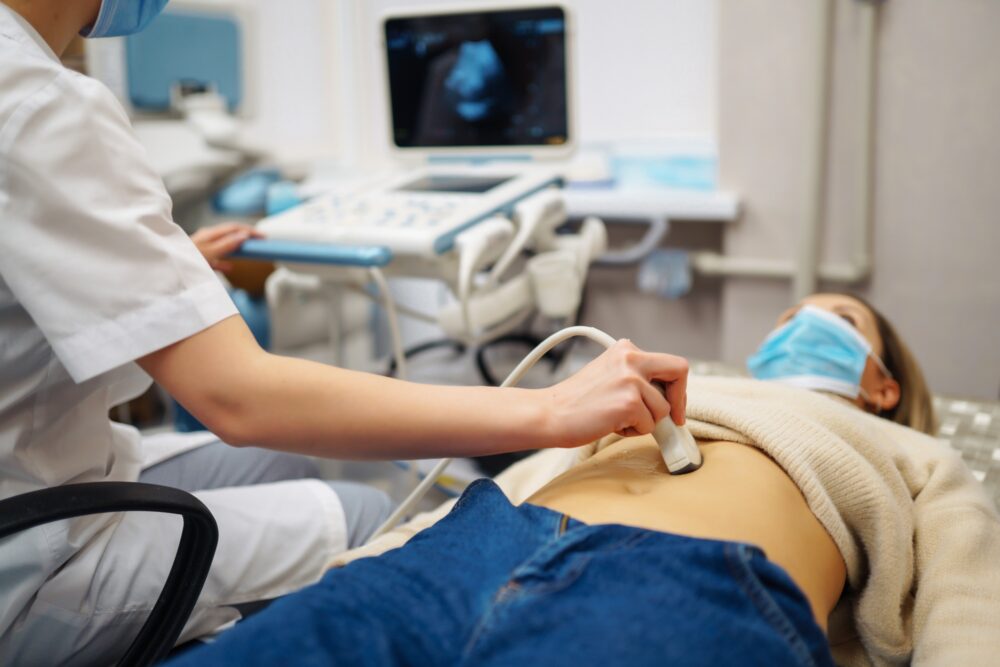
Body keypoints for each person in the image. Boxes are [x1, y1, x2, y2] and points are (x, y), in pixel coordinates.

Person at [0, 1, 692, 664]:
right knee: (367, 512)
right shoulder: (39, 103)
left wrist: (161, 270)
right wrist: (549, 409)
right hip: (30, 556)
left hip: (50, 467)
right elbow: (240, 399)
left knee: (284, 464)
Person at [165, 293, 1000, 667]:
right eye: (786, 318)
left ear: (883, 384)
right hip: (466, 552)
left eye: (837, 316)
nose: (800, 325)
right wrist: (375, 562)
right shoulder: (679, 391)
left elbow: (969, 608)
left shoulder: (907, 451)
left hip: (681, 583)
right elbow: (526, 475)